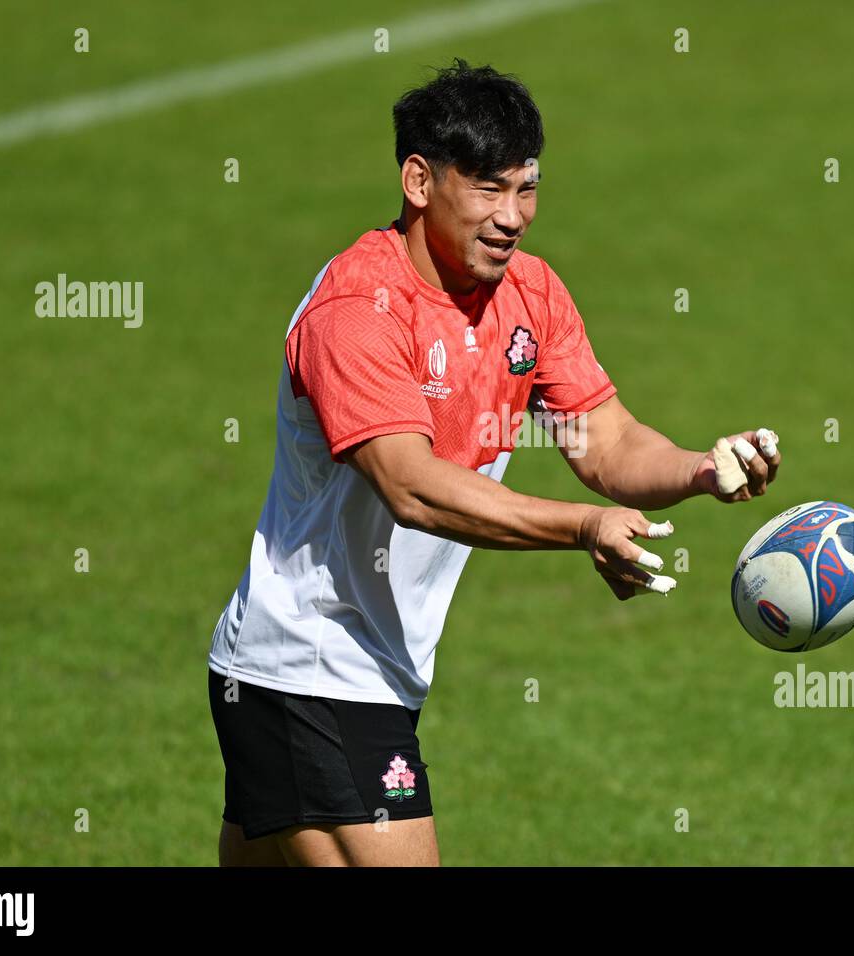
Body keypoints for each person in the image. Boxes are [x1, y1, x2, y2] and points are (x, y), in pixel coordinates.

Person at [207, 59, 780, 866]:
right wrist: (582, 528)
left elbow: (605, 441)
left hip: (357, 672)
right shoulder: (357, 311)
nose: (513, 217)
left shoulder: (531, 295)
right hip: (313, 667)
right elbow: (410, 487)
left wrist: (700, 470)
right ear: (418, 180)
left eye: (527, 189)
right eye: (488, 189)